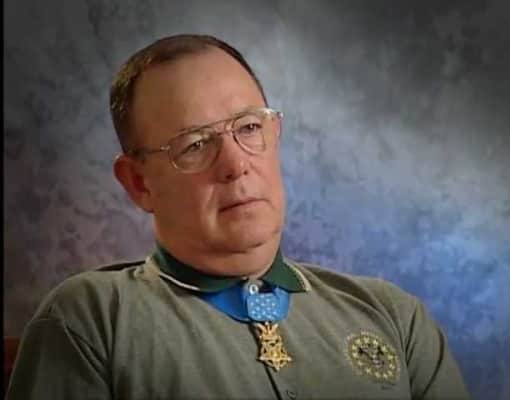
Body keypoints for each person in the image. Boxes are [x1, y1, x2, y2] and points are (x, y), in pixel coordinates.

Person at [7, 34, 471, 400]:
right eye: (194, 144)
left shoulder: (394, 317)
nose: (235, 164)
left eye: (249, 127)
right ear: (139, 183)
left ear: (275, 133)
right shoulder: (91, 321)